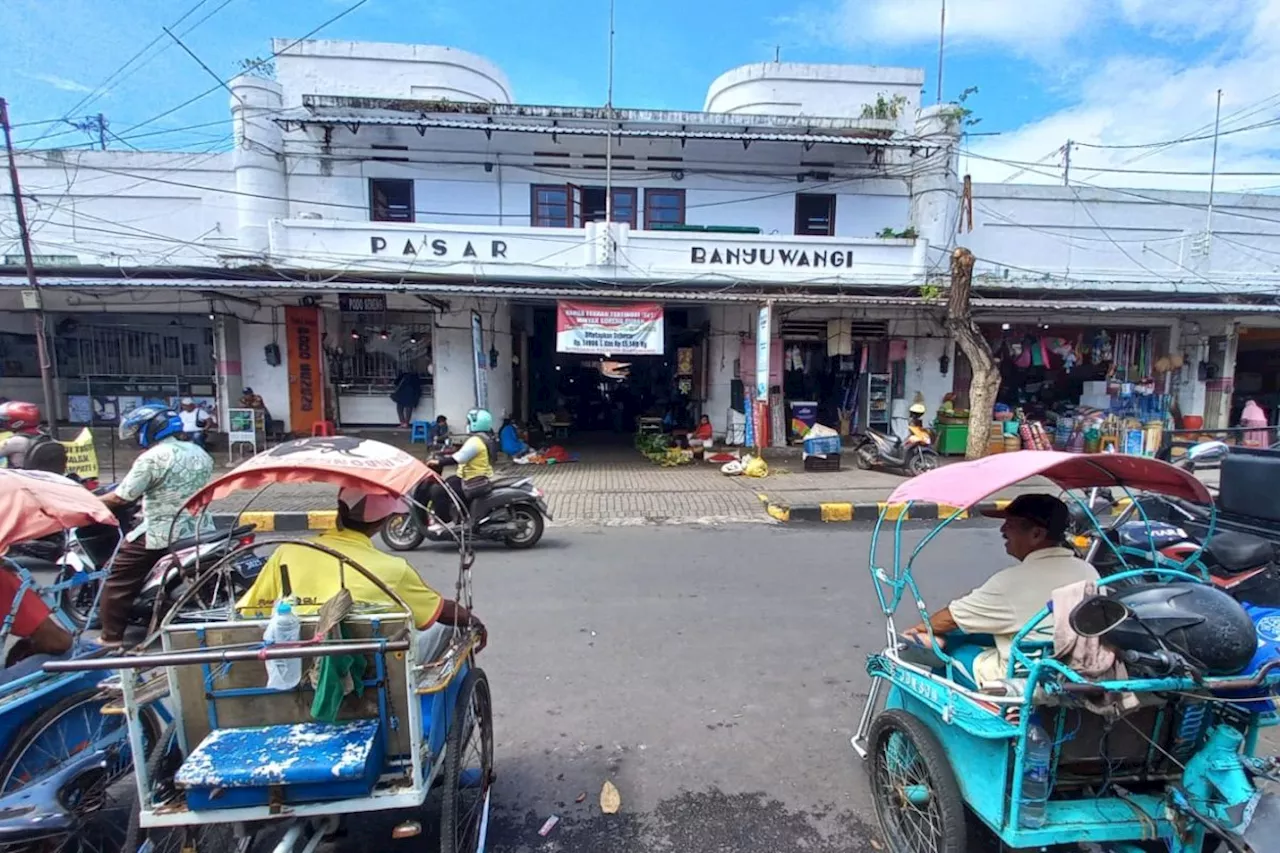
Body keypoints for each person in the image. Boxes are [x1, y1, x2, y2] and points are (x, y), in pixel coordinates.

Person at [236, 486, 486, 656]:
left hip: (292, 661)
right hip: (370, 670)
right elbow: (440, 611)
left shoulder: (286, 552)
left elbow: (248, 610)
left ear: (338, 511)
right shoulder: (393, 569)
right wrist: (474, 622)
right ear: (380, 523)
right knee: (444, 626)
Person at [903, 494, 1098, 689]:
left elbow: (951, 618)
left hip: (1027, 677)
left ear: (1036, 534)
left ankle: (942, 717)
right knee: (966, 633)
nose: (1003, 530)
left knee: (952, 655)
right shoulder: (1088, 570)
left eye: (1010, 524)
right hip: (1072, 664)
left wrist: (917, 631)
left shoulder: (1012, 582)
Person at [97, 404, 214, 647]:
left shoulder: (153, 458)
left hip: (161, 531)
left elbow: (122, 497)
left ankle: (111, 637)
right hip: (200, 527)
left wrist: (89, 502)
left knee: (119, 576)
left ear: (152, 429)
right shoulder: (199, 452)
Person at [428, 408, 495, 532]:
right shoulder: (483, 438)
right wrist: (444, 454)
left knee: (437, 491)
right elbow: (462, 453)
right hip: (474, 478)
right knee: (448, 481)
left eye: (468, 422)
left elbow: (459, 458)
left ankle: (444, 522)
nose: (467, 425)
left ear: (475, 424)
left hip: (473, 481)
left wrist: (438, 461)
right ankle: (458, 516)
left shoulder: (475, 441)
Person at [0, 401, 67, 475]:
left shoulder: (15, 441)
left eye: (5, 421)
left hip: (21, 482)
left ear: (18, 422)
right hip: (48, 481)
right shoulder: (46, 438)